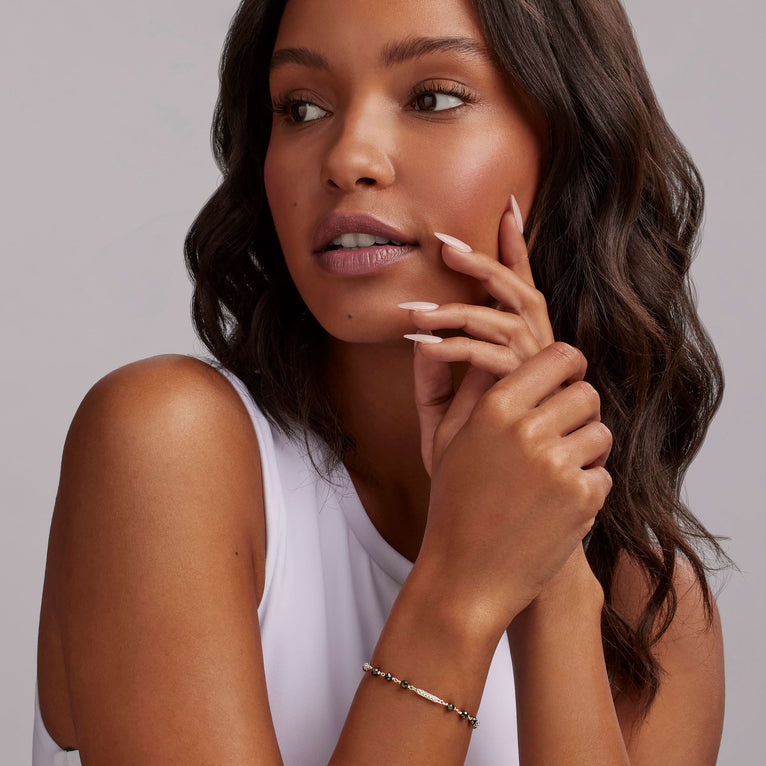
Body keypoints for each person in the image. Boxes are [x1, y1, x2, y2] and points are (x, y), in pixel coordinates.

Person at [33, 0, 732, 763]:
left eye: (433, 97)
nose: (347, 155)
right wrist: (461, 590)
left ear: (568, 147)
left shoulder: (651, 610)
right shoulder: (166, 446)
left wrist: (556, 580)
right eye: (301, 106)